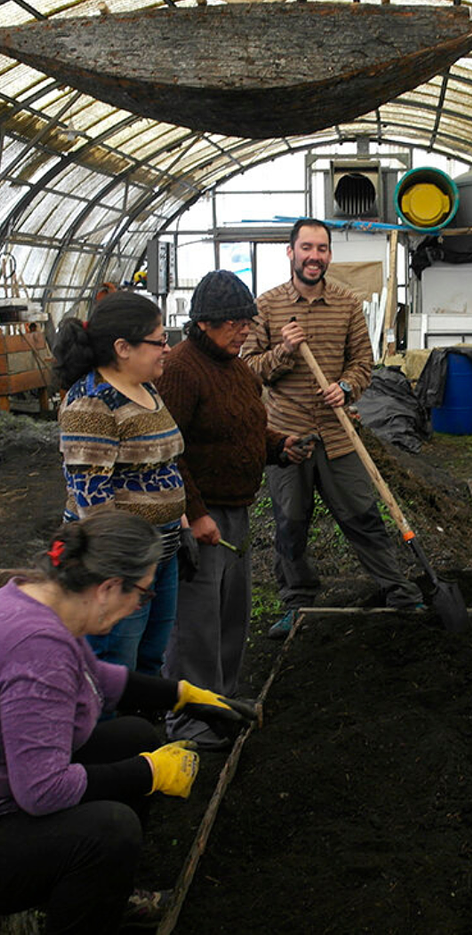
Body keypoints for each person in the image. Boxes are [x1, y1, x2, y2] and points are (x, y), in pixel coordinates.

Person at [0, 513, 256, 934]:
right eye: (142, 593)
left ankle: (104, 898)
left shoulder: (35, 602)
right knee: (110, 832)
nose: (140, 605)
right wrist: (148, 772)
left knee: (132, 736)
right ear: (106, 588)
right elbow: (43, 792)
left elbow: (92, 675)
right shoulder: (37, 647)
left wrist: (184, 697)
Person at [241, 218, 423, 639]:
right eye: (306, 247)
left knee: (363, 515)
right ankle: (296, 603)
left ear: (329, 255)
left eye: (322, 249)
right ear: (290, 252)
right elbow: (250, 371)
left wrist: (346, 386)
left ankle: (397, 590)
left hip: (339, 434)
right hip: (287, 435)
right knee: (290, 523)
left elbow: (364, 362)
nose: (314, 256)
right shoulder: (266, 307)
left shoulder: (346, 303)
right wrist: (284, 351)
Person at [156, 270, 310, 748]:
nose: (244, 331)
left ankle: (222, 701)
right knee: (195, 622)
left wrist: (279, 445)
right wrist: (195, 512)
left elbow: (242, 430)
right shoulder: (182, 369)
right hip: (203, 515)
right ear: (203, 324)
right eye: (234, 323)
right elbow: (169, 449)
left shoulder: (236, 367)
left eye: (247, 321)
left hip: (236, 510)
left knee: (231, 614)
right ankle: (189, 720)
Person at [53, 290, 187, 677]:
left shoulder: (146, 388)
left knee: (149, 656)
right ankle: (109, 733)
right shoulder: (92, 402)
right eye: (159, 341)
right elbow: (92, 499)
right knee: (113, 660)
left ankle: (144, 732)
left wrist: (179, 525)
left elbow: (161, 464)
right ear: (123, 347)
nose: (166, 348)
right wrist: (123, 570)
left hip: (159, 551)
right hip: (119, 564)